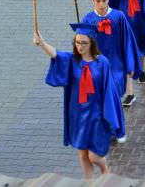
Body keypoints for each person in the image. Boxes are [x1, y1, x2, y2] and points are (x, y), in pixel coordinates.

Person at [34, 22, 125, 178]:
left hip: (96, 114)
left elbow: (109, 90)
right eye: (77, 42)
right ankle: (88, 183)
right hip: (77, 114)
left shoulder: (102, 62)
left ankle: (105, 171)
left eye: (84, 43)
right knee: (83, 155)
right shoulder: (72, 60)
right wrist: (42, 42)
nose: (80, 46)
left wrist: (110, 114)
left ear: (92, 43)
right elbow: (55, 54)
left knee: (94, 156)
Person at [79, 0, 142, 108]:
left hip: (116, 60)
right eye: (97, 1)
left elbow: (127, 40)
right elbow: (81, 41)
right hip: (96, 61)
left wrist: (129, 63)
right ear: (92, 0)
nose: (101, 5)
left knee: (115, 90)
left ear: (108, 0)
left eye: (104, 1)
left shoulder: (118, 16)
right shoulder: (88, 18)